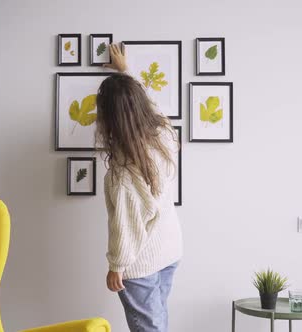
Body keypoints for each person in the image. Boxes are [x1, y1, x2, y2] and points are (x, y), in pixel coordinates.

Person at [95, 44, 183, 332]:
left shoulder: (122, 172)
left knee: (150, 328)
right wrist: (126, 73)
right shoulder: (164, 136)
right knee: (158, 322)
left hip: (142, 262)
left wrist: (116, 266)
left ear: (110, 119)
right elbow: (148, 107)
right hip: (169, 249)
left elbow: (127, 225)